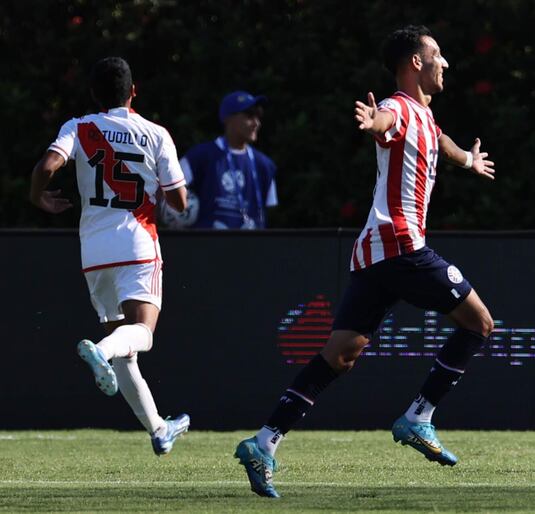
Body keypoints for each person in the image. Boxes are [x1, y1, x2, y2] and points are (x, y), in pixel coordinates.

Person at [234, 25, 496, 498]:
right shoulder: (399, 108)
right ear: (415, 63)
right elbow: (385, 122)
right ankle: (419, 417)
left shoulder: (425, 119)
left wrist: (469, 163)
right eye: (437, 55)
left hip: (374, 253)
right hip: (401, 245)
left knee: (340, 355)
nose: (445, 63)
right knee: (479, 323)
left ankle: (263, 442)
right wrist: (373, 120)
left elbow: (442, 142)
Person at [29, 57, 190, 455]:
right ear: (133, 91)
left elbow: (49, 164)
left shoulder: (79, 127)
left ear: (93, 94)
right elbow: (180, 202)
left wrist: (36, 196)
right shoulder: (155, 133)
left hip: (94, 253)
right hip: (137, 244)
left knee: (126, 351)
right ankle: (99, 351)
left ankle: (158, 429)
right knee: (142, 335)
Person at [167, 91, 277, 229]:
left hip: (251, 247)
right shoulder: (200, 156)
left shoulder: (265, 165)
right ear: (228, 118)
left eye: (258, 115)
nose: (256, 122)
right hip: (208, 246)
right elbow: (168, 190)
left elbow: (270, 210)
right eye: (249, 115)